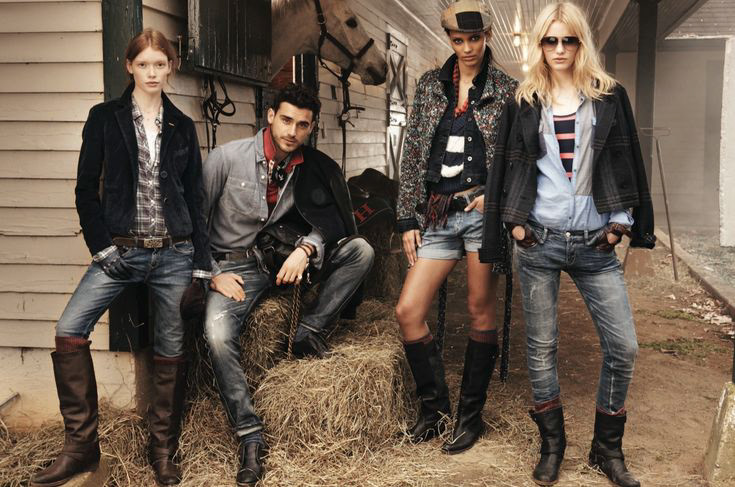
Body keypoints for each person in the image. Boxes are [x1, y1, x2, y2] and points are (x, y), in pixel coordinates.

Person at [480, 3, 657, 486]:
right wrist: (514, 226)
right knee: (541, 349)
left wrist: (619, 224)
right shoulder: (524, 100)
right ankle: (552, 447)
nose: (559, 49)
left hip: (595, 244)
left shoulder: (608, 95)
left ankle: (607, 449)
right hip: (539, 240)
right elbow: (506, 167)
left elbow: (626, 160)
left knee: (623, 346)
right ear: (539, 45)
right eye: (550, 41)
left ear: (582, 42)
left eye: (569, 40)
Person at [31, 29, 211, 487]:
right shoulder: (104, 118)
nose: (152, 72)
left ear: (171, 67)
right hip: (121, 252)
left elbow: (196, 198)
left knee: (171, 349)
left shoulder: (182, 125)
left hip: (174, 253)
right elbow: (84, 189)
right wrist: (102, 247)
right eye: (143, 64)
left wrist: (201, 263)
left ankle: (163, 453)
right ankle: (81, 449)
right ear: (129, 66)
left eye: (160, 64)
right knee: (69, 330)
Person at [201, 82, 374, 486]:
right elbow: (194, 224)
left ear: (311, 127)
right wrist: (212, 274)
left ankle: (308, 330)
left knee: (361, 251)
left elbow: (329, 218)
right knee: (217, 334)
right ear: (269, 116)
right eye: (286, 120)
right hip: (235, 267)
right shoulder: (225, 158)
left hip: (283, 258)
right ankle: (250, 435)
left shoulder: (311, 166)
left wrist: (308, 248)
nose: (292, 131)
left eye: (302, 125)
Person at [395, 0, 518, 455]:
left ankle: (469, 418)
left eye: (475, 39)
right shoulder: (431, 85)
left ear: (488, 37)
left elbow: (518, 157)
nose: (467, 48)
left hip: (482, 216)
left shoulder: (507, 90)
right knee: (408, 311)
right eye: (458, 40)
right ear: (448, 39)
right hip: (438, 215)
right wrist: (407, 216)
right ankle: (435, 412)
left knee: (479, 308)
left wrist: (497, 199)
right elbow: (413, 152)